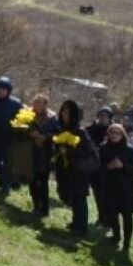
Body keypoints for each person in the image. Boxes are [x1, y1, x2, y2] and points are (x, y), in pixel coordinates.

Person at [51, 100, 97, 236]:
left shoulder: (80, 131)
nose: (65, 114)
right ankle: (75, 222)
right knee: (70, 197)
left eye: (68, 112)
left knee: (79, 198)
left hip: (79, 170)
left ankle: (81, 227)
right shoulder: (60, 129)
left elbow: (89, 152)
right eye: (63, 111)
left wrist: (70, 151)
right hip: (65, 170)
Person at [98, 122, 133, 253]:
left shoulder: (129, 150)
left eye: (117, 132)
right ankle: (116, 236)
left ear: (122, 134)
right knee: (112, 214)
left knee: (127, 217)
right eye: (111, 132)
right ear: (108, 134)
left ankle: (127, 244)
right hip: (109, 187)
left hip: (126, 189)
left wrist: (123, 166)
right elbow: (96, 168)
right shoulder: (103, 149)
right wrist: (108, 167)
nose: (114, 135)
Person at [26, 93, 60, 218]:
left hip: (45, 153)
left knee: (43, 181)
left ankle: (44, 208)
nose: (37, 104)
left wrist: (45, 137)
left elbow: (57, 132)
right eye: (35, 101)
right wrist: (30, 134)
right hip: (30, 151)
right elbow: (20, 129)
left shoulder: (52, 117)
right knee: (32, 180)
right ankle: (36, 205)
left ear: (45, 104)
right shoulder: (27, 114)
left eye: (40, 102)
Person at [86, 106, 113, 225]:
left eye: (105, 116)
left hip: (109, 167)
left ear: (110, 118)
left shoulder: (113, 132)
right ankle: (102, 216)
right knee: (98, 193)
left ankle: (109, 218)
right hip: (93, 166)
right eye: (101, 116)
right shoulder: (90, 129)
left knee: (108, 194)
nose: (103, 118)